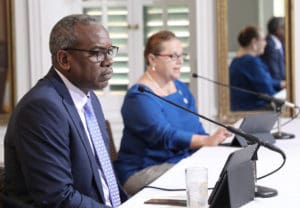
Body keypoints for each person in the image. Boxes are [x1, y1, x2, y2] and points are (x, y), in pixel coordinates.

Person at [3, 14, 128, 207]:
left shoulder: (90, 98)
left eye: (109, 51)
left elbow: (104, 178)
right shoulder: (41, 109)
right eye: (97, 53)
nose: (108, 61)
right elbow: (57, 197)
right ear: (64, 59)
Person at [114, 30, 231, 195]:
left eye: (182, 56)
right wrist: (206, 140)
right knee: (205, 182)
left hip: (182, 162)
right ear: (152, 59)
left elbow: (196, 129)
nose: (180, 62)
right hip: (143, 170)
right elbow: (164, 136)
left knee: (223, 171)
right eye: (173, 56)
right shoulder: (139, 97)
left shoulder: (181, 88)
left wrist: (219, 144)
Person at [229, 25, 286, 111]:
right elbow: (267, 90)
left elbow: (261, 81)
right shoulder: (250, 61)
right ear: (254, 42)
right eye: (263, 40)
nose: (266, 43)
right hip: (254, 109)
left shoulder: (238, 60)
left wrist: (280, 83)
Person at [261, 17, 286, 81]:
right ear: (278, 29)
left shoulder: (281, 42)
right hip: (276, 85)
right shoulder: (269, 44)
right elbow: (273, 70)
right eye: (284, 28)